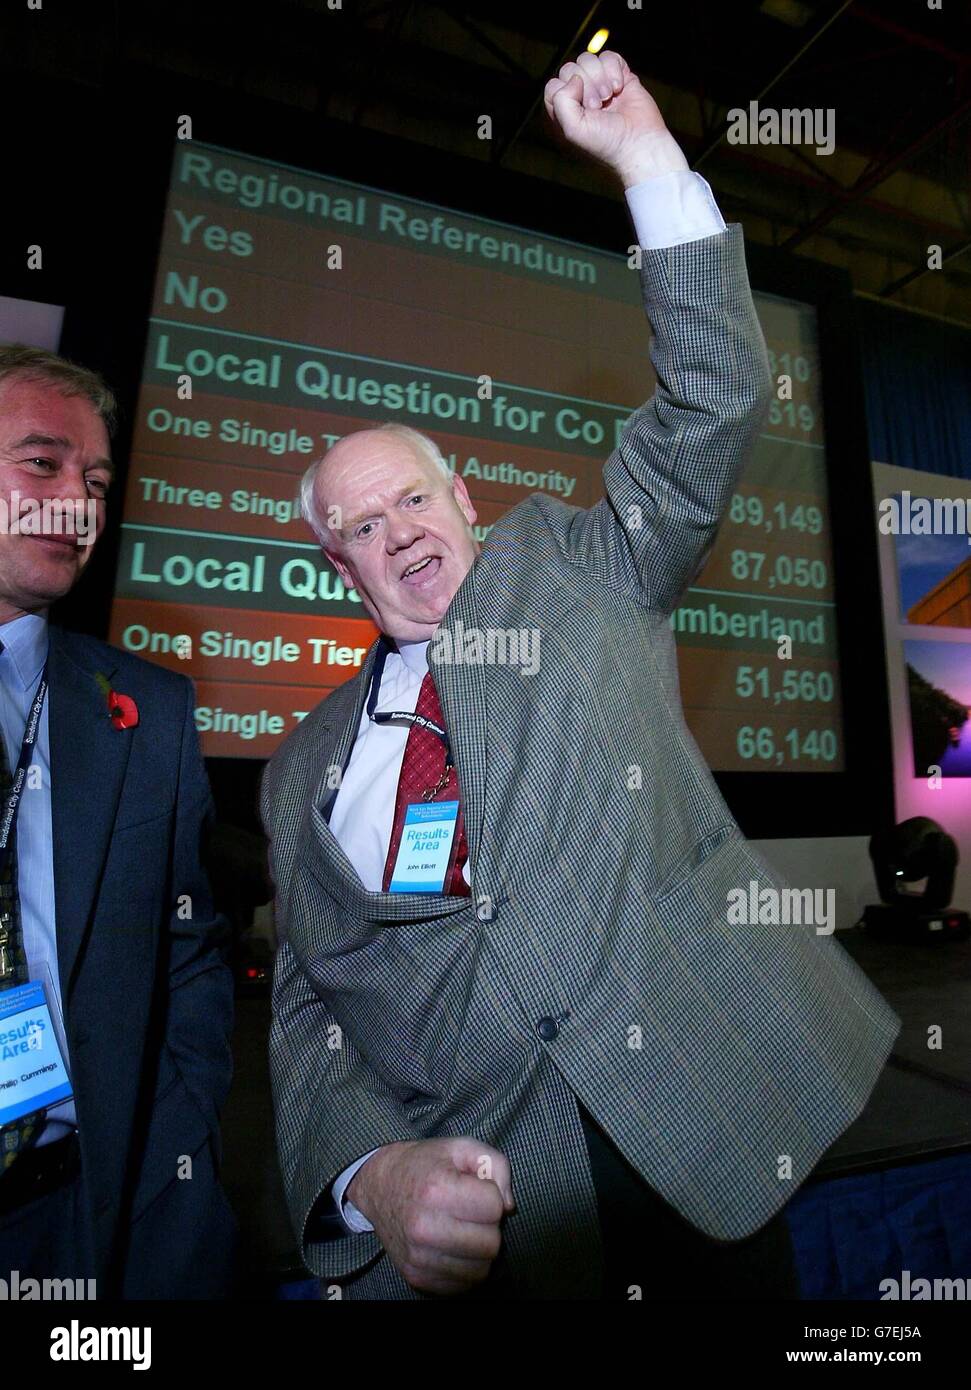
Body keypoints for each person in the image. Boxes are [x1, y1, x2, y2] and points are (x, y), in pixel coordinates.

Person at [262, 49, 900, 1300]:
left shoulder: (575, 567)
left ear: (466, 498)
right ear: (334, 563)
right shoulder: (296, 779)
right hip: (495, 1223)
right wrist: (370, 1174)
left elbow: (714, 400)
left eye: (409, 495)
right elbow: (305, 1019)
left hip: (696, 1143)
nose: (393, 530)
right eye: (356, 525)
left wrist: (646, 163)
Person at [0, 345, 236, 1297]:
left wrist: (177, 1153)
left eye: (95, 480)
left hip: (97, 1219)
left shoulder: (150, 713)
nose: (79, 500)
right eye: (43, 463)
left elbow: (189, 955)